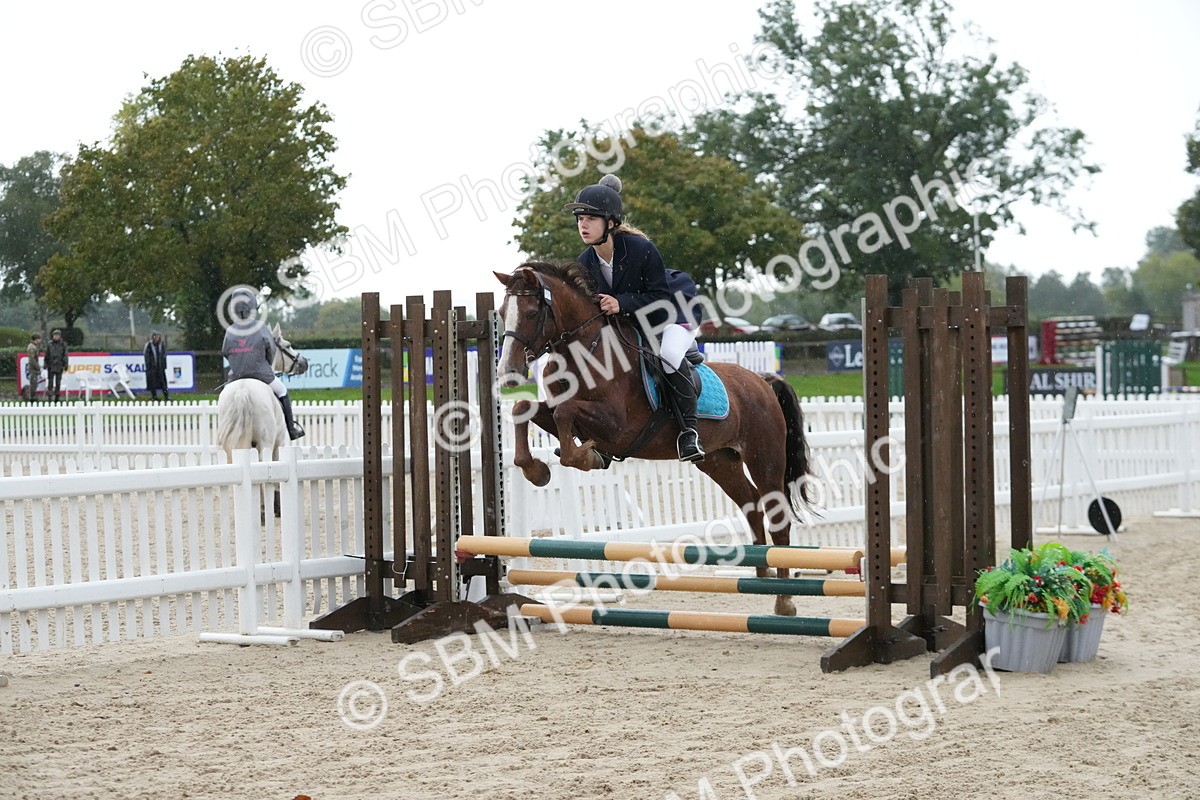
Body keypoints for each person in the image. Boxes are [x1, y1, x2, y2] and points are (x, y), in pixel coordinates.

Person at [566, 174, 704, 462]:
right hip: (634, 319)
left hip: (674, 310)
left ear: (611, 223)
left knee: (668, 354)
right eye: (580, 218)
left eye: (591, 218)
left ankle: (689, 433)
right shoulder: (585, 262)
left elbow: (660, 299)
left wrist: (621, 303)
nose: (583, 224)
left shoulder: (640, 249)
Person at [220, 290, 304, 440]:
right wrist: (262, 364)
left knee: (224, 398)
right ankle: (291, 429)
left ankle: (223, 433)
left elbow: (226, 352)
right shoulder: (260, 326)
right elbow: (270, 350)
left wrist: (239, 364)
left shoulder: (230, 330)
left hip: (236, 376)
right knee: (282, 391)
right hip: (262, 374)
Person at [143, 331, 171, 401]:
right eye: (156, 336)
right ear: (153, 337)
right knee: (153, 383)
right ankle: (154, 397)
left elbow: (164, 356)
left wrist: (164, 366)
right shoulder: (149, 345)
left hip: (160, 367)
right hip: (152, 368)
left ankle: (166, 396)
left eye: (158, 336)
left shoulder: (162, 345)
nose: (157, 338)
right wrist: (149, 366)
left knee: (163, 383)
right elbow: (146, 356)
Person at [44, 329, 69, 403]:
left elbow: (65, 355)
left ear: (60, 336)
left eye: (57, 335)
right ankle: (49, 399)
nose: (55, 337)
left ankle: (57, 399)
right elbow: (47, 355)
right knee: (50, 383)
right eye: (54, 335)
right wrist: (45, 363)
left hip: (59, 365)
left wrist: (66, 364)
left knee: (58, 383)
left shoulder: (63, 344)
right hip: (51, 366)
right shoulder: (50, 344)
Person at [24, 331, 43, 403]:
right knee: (33, 384)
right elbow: (32, 360)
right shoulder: (32, 347)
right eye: (39, 339)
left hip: (33, 368)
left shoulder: (34, 346)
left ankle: (32, 397)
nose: (40, 340)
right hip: (33, 369)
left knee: (34, 384)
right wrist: (37, 367)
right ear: (36, 339)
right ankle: (32, 399)